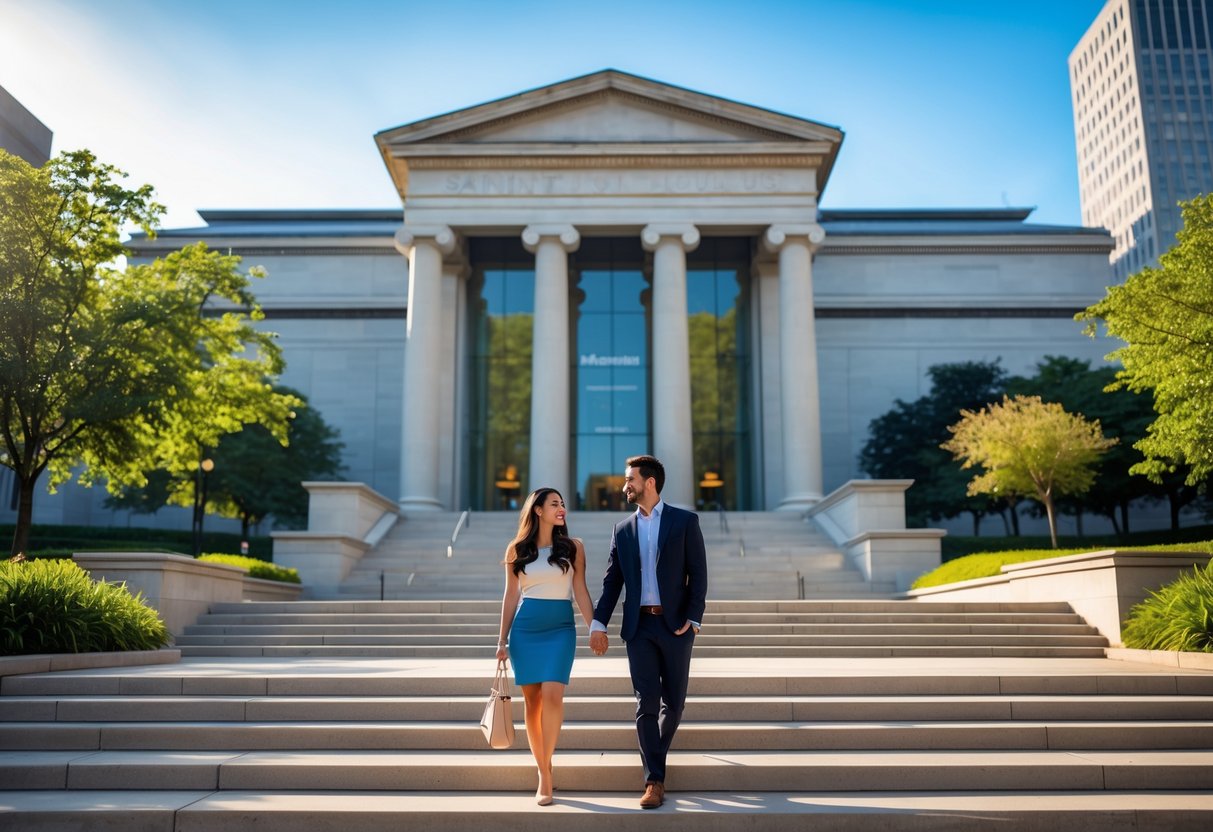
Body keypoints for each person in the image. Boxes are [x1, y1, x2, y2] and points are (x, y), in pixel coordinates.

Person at [589, 454, 708, 809]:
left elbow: (698, 573)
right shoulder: (622, 529)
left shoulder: (685, 521)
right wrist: (598, 622)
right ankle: (654, 780)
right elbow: (613, 582)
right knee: (646, 704)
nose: (625, 485)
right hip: (638, 627)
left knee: (674, 703)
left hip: (675, 626)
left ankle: (654, 756)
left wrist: (694, 618)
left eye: (630, 480)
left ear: (649, 482)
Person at [495, 487, 595, 805]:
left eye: (563, 503)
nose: (562, 508)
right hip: (526, 631)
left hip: (560, 629)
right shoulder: (516, 549)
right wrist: (501, 641)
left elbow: (580, 589)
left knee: (553, 694)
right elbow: (511, 596)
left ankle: (546, 766)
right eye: (555, 504)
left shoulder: (573, 547)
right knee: (533, 703)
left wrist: (595, 626)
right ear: (538, 510)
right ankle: (544, 771)